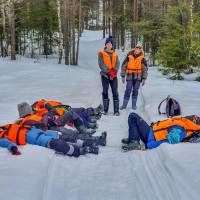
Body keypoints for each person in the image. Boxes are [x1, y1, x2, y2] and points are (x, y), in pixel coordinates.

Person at [16, 102, 107, 147]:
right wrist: (48, 118)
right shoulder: (26, 120)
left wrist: (50, 116)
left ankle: (84, 131)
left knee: (71, 113)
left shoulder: (33, 116)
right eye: (29, 109)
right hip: (50, 129)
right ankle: (98, 140)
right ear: (26, 110)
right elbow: (40, 127)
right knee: (72, 135)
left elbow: (44, 118)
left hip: (54, 122)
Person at [0, 123, 97, 157]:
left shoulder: (8, 126)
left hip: (45, 133)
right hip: (40, 140)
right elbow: (6, 143)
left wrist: (36, 126)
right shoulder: (1, 136)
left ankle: (87, 143)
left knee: (68, 137)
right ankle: (79, 151)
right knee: (59, 144)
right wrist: (13, 148)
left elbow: (24, 126)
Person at [121, 112, 200, 151]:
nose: (194, 116)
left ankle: (134, 141)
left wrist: (147, 146)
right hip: (150, 132)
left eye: (196, 118)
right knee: (133, 117)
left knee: (133, 116)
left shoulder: (181, 129)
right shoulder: (183, 123)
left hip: (150, 136)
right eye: (195, 116)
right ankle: (132, 138)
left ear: (194, 123)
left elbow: (165, 140)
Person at [120, 42, 148, 110]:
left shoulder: (142, 59)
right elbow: (124, 67)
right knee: (128, 90)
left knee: (135, 90)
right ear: (135, 48)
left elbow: (145, 70)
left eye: (139, 48)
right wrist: (123, 76)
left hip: (138, 77)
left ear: (141, 50)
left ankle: (134, 105)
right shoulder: (129, 57)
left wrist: (144, 78)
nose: (138, 49)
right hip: (129, 76)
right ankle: (124, 105)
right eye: (137, 48)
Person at [97, 36, 120, 116]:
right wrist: (109, 71)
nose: (109, 45)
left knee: (115, 92)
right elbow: (101, 64)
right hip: (105, 76)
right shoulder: (101, 54)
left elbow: (117, 64)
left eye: (110, 44)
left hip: (113, 76)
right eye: (108, 43)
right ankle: (105, 110)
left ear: (112, 45)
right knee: (105, 92)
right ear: (106, 45)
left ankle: (116, 111)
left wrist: (115, 71)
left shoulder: (115, 54)